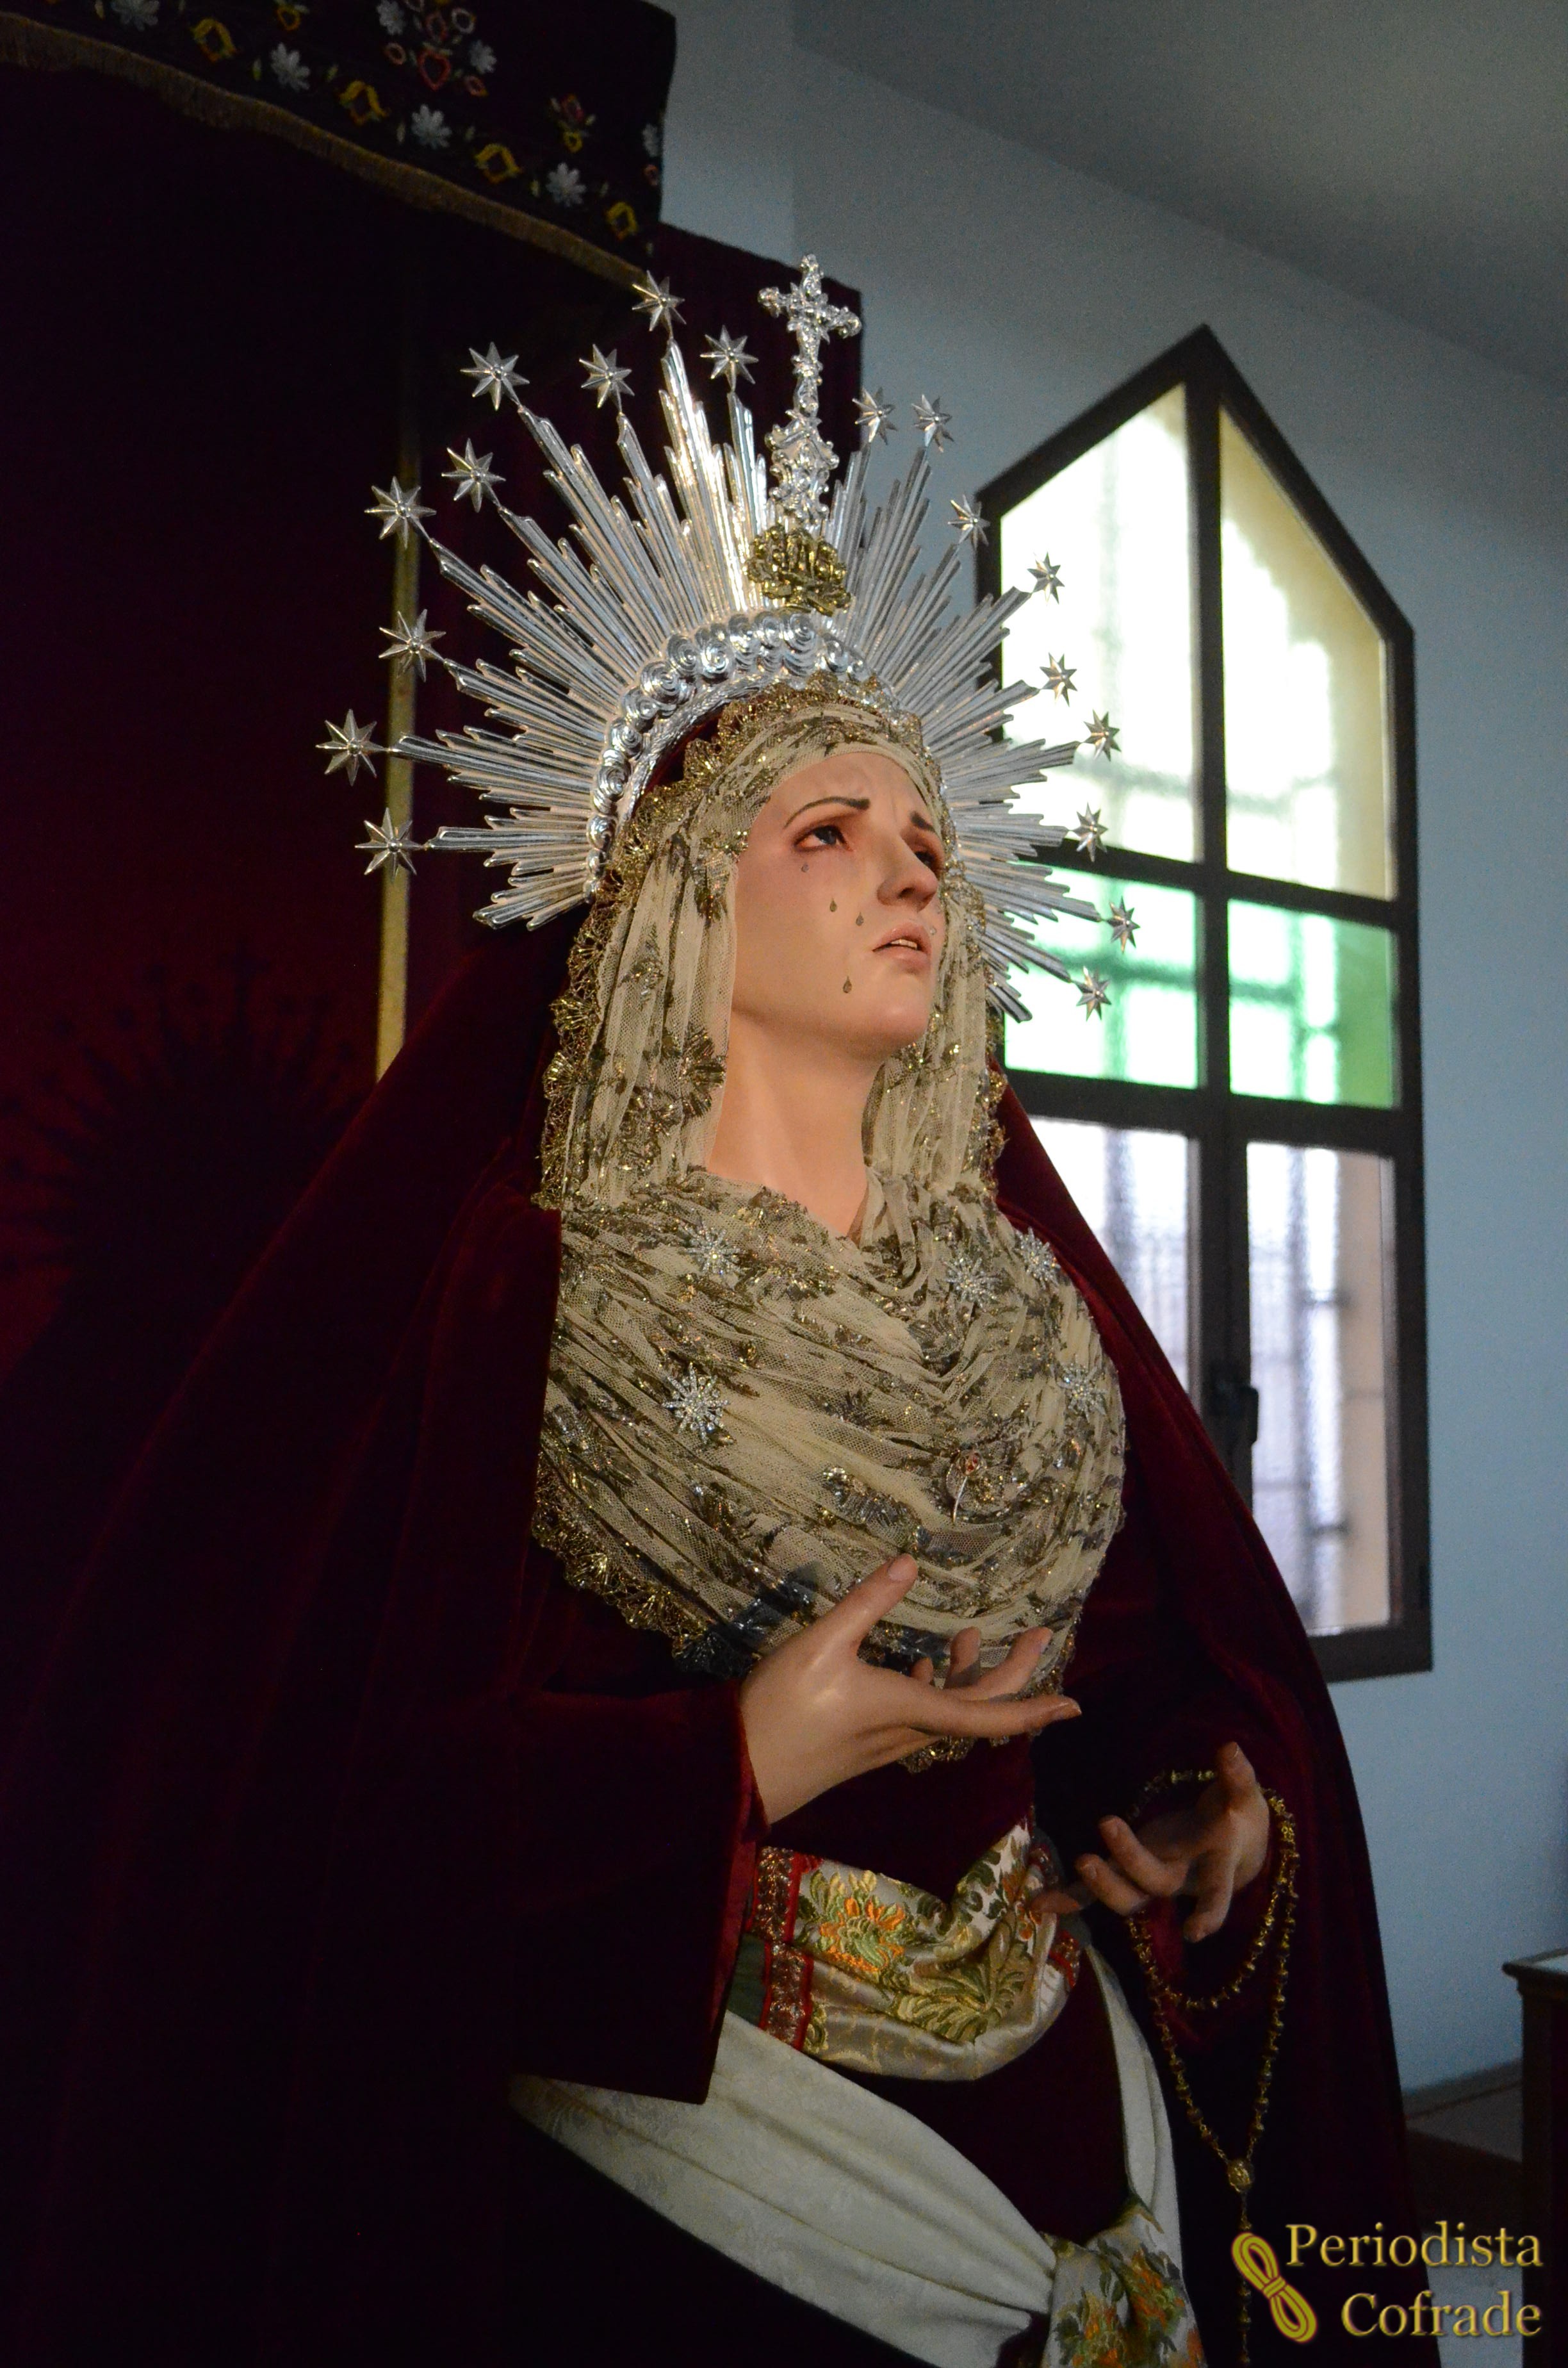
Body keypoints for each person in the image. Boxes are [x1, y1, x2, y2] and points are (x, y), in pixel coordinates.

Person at [0, 263, 1428, 2368]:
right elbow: (287, 1832)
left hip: (1077, 2096)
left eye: (927, 839)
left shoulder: (1026, 1309)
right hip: (709, 2177)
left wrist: (1202, 1808)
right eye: (829, 833)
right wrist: (735, 1757)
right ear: (682, 894)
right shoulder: (520, 1295)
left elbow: (1139, 1673)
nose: (913, 876)